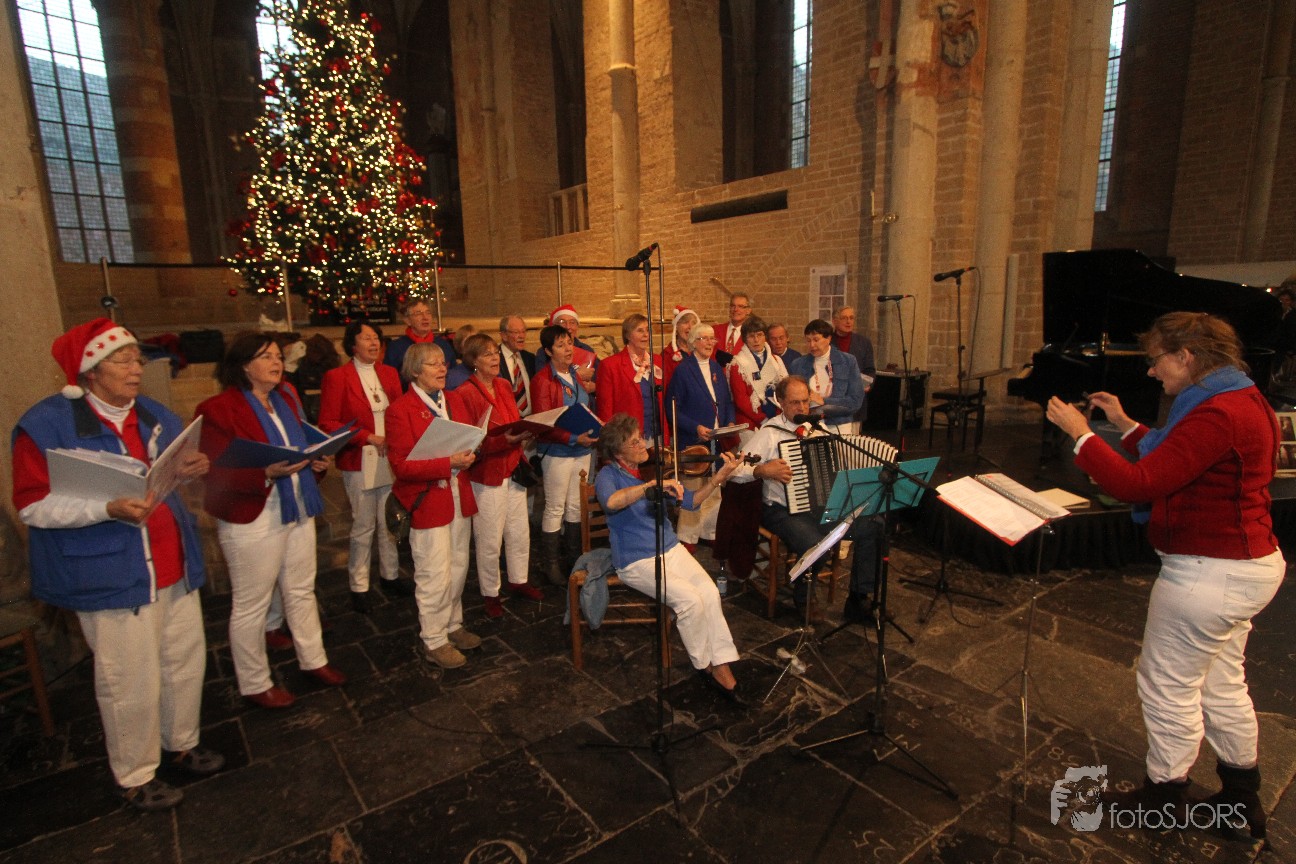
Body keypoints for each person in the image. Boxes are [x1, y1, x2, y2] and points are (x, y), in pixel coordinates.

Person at [1045, 312, 1284, 840]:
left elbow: (1140, 483)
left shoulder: (1217, 413)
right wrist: (1124, 422)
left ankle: (1163, 797)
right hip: (1245, 565)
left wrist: (1082, 435)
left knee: (1168, 686)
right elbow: (1177, 455)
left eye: (1157, 360)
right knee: (1222, 684)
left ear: (1187, 356)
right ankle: (1241, 798)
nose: (1152, 371)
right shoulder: (1237, 398)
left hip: (1210, 571)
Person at [12, 319, 224, 811]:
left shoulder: (152, 413)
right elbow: (32, 506)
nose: (136, 369)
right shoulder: (47, 425)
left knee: (183, 662)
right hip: (111, 571)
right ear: (91, 371)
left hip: (173, 562)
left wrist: (192, 469)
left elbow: (172, 474)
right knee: (129, 679)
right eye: (123, 361)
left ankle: (180, 742)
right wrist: (104, 508)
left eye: (137, 359)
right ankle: (134, 773)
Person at [195, 332, 346, 710]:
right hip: (253, 514)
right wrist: (265, 473)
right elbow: (212, 472)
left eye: (278, 356)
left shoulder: (285, 401)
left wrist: (317, 461)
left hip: (296, 507)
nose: (276, 362)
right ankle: (254, 682)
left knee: (300, 589)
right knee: (252, 603)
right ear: (244, 365)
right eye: (266, 357)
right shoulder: (218, 409)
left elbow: (299, 450)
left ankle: (314, 659)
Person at [595, 413, 745, 704]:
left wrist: (718, 478)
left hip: (669, 548)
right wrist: (649, 487)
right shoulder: (608, 475)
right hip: (635, 560)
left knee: (709, 593)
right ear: (618, 453)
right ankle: (707, 666)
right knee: (689, 601)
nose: (643, 444)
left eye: (641, 438)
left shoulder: (650, 470)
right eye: (634, 442)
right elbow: (611, 502)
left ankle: (721, 662)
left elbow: (691, 502)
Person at [733, 376, 880, 622]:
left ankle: (858, 599)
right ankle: (804, 598)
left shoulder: (818, 430)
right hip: (781, 509)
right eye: (794, 403)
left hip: (819, 505)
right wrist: (762, 470)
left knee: (873, 526)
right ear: (781, 402)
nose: (802, 408)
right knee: (817, 545)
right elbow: (735, 470)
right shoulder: (769, 434)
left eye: (805, 402)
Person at [386, 342, 482, 668]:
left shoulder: (453, 400)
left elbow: (467, 440)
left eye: (443, 363)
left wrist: (470, 452)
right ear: (415, 371)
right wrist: (447, 462)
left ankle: (453, 624)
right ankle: (433, 639)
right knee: (433, 572)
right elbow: (401, 467)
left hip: (458, 493)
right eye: (433, 364)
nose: (442, 369)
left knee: (458, 566)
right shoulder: (401, 410)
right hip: (427, 500)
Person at [318, 320, 410, 614]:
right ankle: (359, 585)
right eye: (366, 338)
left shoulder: (389, 373)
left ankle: (390, 575)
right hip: (360, 458)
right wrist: (366, 437)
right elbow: (328, 423)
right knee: (363, 524)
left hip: (389, 457)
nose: (373, 343)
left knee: (389, 519)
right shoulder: (337, 377)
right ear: (352, 344)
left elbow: (400, 411)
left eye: (376, 338)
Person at [455, 333, 543, 617]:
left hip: (513, 467)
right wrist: (502, 442)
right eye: (487, 354)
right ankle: (490, 593)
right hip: (487, 474)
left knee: (519, 531)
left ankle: (519, 580)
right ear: (473, 361)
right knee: (489, 539)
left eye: (495, 352)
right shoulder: (464, 393)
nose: (495, 358)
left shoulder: (504, 385)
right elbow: (468, 442)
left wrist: (525, 431)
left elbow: (512, 420)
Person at [531, 324, 599, 583]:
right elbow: (543, 423)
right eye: (561, 345)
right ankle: (550, 564)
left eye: (569, 343)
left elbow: (583, 408)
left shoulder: (574, 374)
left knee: (575, 505)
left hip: (582, 448)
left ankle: (573, 557)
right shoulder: (542, 381)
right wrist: (572, 437)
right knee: (555, 507)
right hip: (557, 451)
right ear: (548, 351)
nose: (568, 349)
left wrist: (594, 427)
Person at [666, 323, 736, 548]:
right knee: (694, 489)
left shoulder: (715, 367)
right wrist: (695, 427)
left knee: (713, 489)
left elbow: (726, 401)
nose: (709, 342)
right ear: (693, 343)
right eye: (704, 338)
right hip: (694, 442)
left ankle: (709, 534)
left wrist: (729, 422)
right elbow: (672, 409)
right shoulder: (683, 370)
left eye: (712, 338)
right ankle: (687, 539)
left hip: (716, 441)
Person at [595, 313, 664, 443]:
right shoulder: (610, 365)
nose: (646, 335)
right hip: (627, 439)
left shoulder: (658, 361)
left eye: (647, 330)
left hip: (658, 436)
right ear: (627, 335)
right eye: (640, 331)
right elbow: (605, 410)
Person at [788, 319, 865, 435]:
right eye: (808, 340)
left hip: (839, 424)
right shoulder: (797, 364)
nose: (812, 345)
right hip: (809, 425)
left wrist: (824, 400)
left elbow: (855, 401)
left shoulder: (848, 361)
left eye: (816, 340)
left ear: (828, 338)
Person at [727, 315, 788, 442]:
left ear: (765, 337)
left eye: (759, 335)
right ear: (745, 339)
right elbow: (741, 400)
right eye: (751, 336)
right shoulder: (737, 364)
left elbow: (785, 390)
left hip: (776, 418)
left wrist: (777, 418)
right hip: (749, 423)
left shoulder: (776, 361)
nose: (756, 340)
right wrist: (763, 419)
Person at [384, 298, 456, 380]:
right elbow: (389, 379)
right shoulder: (396, 347)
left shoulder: (443, 344)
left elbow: (453, 374)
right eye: (418, 314)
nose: (425, 317)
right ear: (407, 320)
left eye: (428, 313)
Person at [539, 304, 597, 398]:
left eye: (572, 322)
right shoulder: (544, 352)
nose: (568, 327)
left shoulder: (587, 349)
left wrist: (594, 387)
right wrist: (577, 376)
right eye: (562, 322)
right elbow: (543, 385)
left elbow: (600, 380)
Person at [498, 314, 535, 417]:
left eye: (523, 331)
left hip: (531, 419)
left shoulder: (530, 358)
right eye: (516, 332)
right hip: (507, 420)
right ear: (504, 336)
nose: (522, 336)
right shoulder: (494, 359)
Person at [662, 305, 699, 390]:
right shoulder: (667, 355)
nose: (690, 327)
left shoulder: (702, 352)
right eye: (685, 322)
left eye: (693, 323)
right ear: (676, 326)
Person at [714, 292, 752, 365]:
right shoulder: (715, 330)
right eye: (733, 306)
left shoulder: (751, 334)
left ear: (748, 311)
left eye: (740, 306)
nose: (736, 309)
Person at [445, 324, 478, 390]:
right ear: (460, 347)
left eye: (476, 341)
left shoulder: (490, 371)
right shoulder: (452, 377)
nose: (473, 345)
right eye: (468, 342)